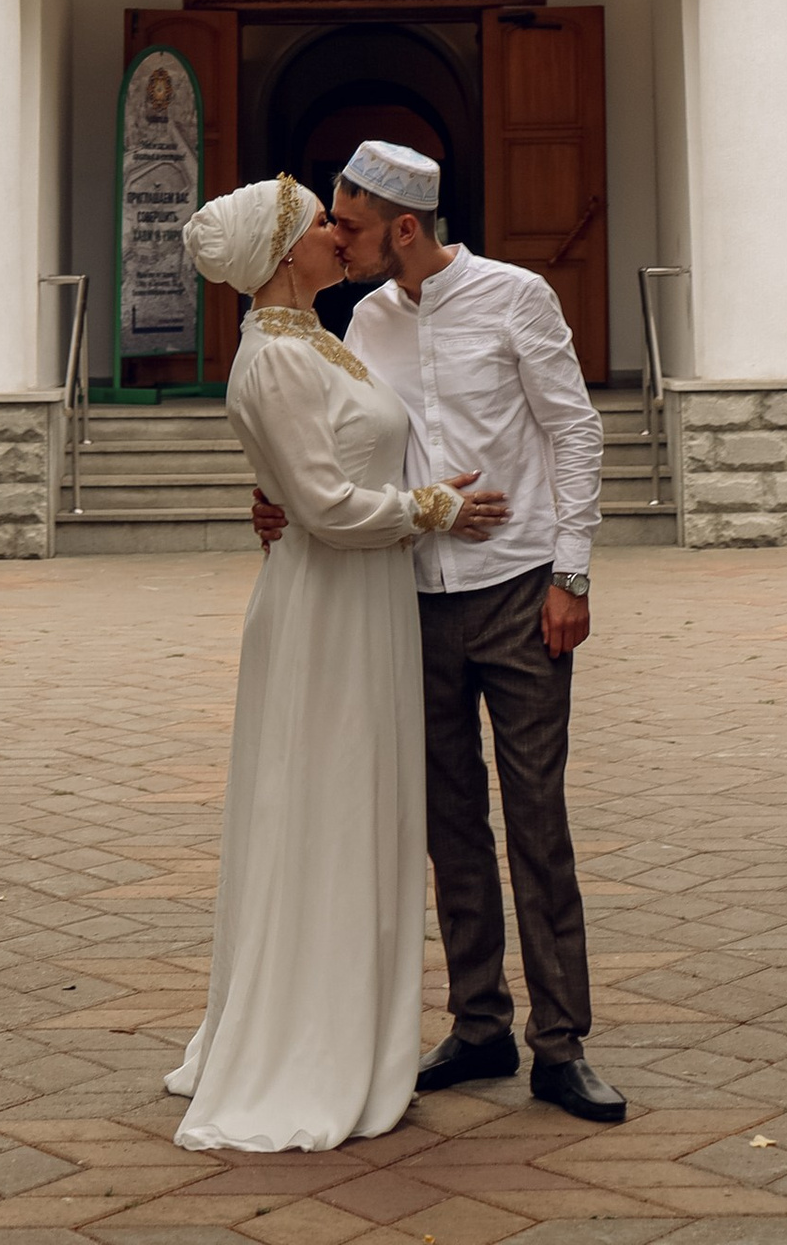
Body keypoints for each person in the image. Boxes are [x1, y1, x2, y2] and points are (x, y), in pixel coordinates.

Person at [250, 139, 626, 1126]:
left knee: (536, 818)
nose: (337, 238)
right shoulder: (362, 320)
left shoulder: (515, 297)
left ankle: (561, 1044)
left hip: (518, 592)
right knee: (446, 820)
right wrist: (284, 498)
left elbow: (573, 427)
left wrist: (571, 569)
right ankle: (478, 1022)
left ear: (405, 227)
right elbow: (336, 439)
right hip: (405, 599)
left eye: (351, 224)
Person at [165, 172, 510, 1155]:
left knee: (356, 803)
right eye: (318, 220)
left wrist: (395, 495)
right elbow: (324, 506)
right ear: (281, 254)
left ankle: (347, 1024)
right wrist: (431, 508)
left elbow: (323, 478)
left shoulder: (312, 340)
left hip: (364, 601)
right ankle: (304, 1043)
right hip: (328, 608)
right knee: (322, 804)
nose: (336, 227)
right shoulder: (274, 361)